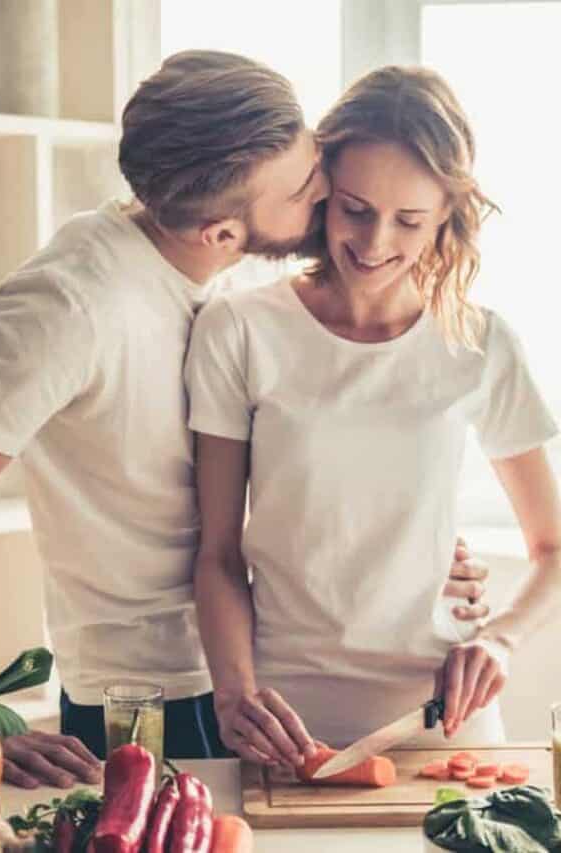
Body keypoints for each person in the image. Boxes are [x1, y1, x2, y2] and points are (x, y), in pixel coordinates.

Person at [0, 53, 488, 788]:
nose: (326, 194)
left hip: (268, 669)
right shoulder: (66, 307)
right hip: (149, 696)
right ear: (222, 231)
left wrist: (416, 539)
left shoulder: (240, 258)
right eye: (303, 187)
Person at [185, 65, 561, 769]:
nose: (373, 240)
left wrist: (501, 638)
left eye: (409, 220)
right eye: (354, 208)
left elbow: (552, 549)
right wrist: (234, 691)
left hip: (444, 720)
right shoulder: (239, 327)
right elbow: (218, 553)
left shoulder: (481, 343)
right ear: (320, 191)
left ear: (448, 216)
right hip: (284, 722)